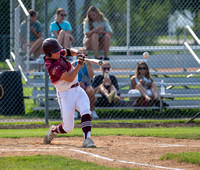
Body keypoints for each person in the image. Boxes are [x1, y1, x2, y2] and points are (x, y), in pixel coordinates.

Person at [42, 38, 96, 148]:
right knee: (68, 128)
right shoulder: (52, 66)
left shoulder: (56, 53)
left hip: (78, 89)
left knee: (86, 110)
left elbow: (68, 51)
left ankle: (87, 139)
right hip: (65, 94)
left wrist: (79, 53)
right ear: (48, 54)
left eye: (58, 50)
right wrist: (79, 64)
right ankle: (54, 131)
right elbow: (69, 78)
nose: (59, 52)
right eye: (55, 52)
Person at [72, 48, 98, 119]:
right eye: (82, 55)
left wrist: (88, 65)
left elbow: (91, 75)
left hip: (86, 84)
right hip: (76, 84)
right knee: (75, 92)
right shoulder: (74, 64)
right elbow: (70, 75)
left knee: (90, 91)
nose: (84, 57)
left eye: (86, 55)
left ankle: (92, 110)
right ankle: (76, 111)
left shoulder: (88, 64)